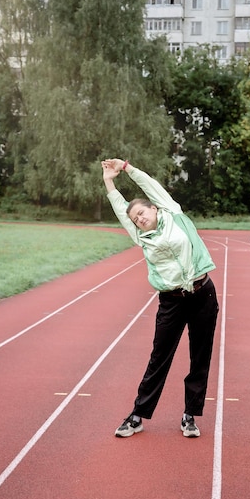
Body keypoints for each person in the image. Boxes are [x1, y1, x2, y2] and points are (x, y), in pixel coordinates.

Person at [101, 158, 219, 438]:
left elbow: (149, 185)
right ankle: (138, 415)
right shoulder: (141, 236)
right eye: (136, 219)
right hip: (172, 301)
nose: (140, 219)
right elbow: (120, 209)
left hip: (203, 293)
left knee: (199, 357)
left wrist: (127, 169)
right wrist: (108, 180)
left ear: (153, 208)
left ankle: (190, 414)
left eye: (142, 212)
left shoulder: (172, 213)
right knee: (159, 357)